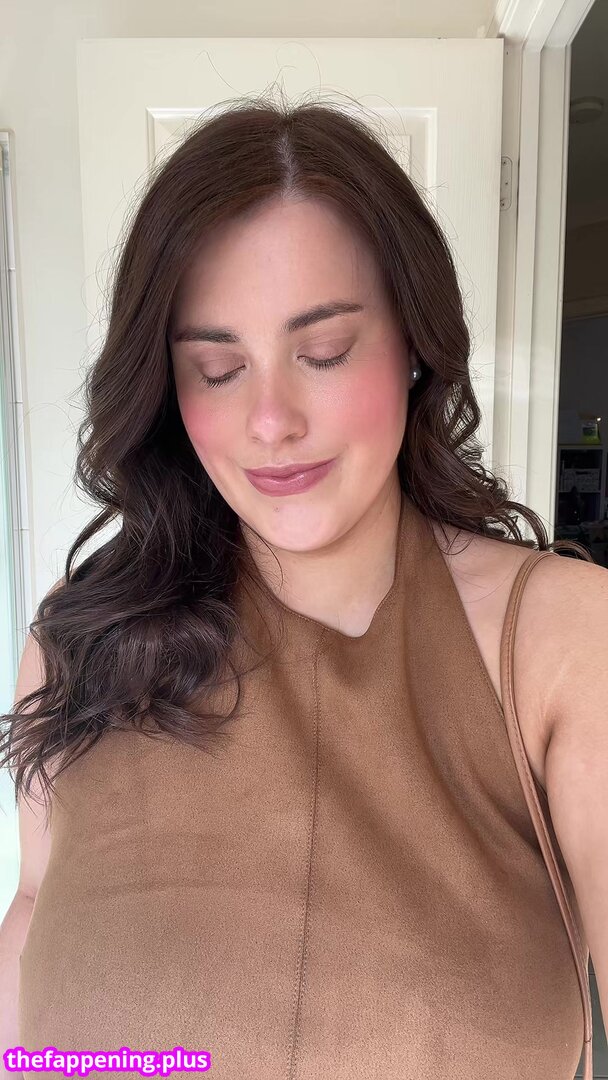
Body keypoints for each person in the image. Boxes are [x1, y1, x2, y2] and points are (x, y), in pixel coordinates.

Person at [0, 94, 601, 1080]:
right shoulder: (81, 644)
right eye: (215, 369)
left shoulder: (563, 643)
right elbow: (33, 919)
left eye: (322, 353)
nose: (270, 421)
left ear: (413, 346)